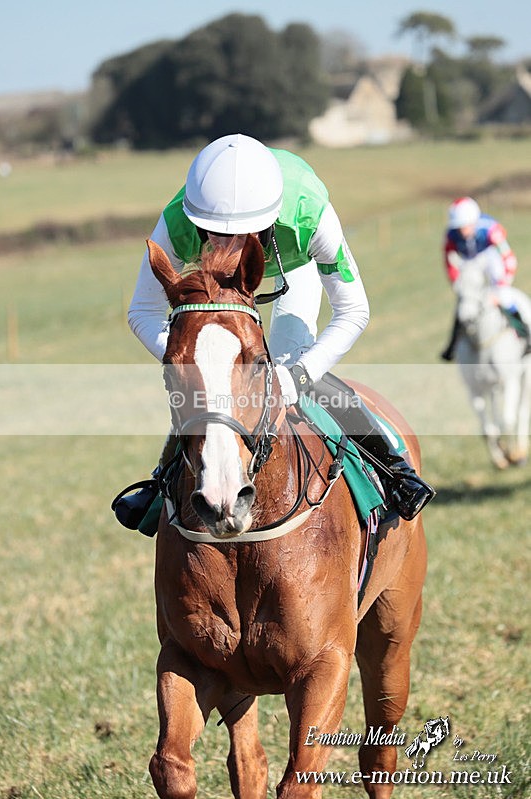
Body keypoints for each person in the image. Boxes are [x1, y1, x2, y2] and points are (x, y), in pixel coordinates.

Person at [120, 134, 434, 525]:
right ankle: (161, 481)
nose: (228, 248)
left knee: (286, 360)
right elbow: (141, 311)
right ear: (198, 221)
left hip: (293, 266)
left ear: (269, 222)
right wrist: (194, 363)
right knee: (208, 385)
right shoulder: (177, 221)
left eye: (243, 235)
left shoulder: (309, 215)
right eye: (216, 234)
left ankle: (392, 468)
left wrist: (297, 376)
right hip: (213, 292)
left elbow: (354, 309)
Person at [441, 196, 531, 360]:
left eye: (465, 226)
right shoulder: (451, 234)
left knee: (505, 297)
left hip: (491, 259)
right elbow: (449, 259)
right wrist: (456, 282)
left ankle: (525, 334)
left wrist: (503, 283)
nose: (462, 230)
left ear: (473, 221)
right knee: (465, 302)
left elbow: (508, 257)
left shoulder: (490, 229)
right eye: (459, 227)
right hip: (470, 262)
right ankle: (452, 345)